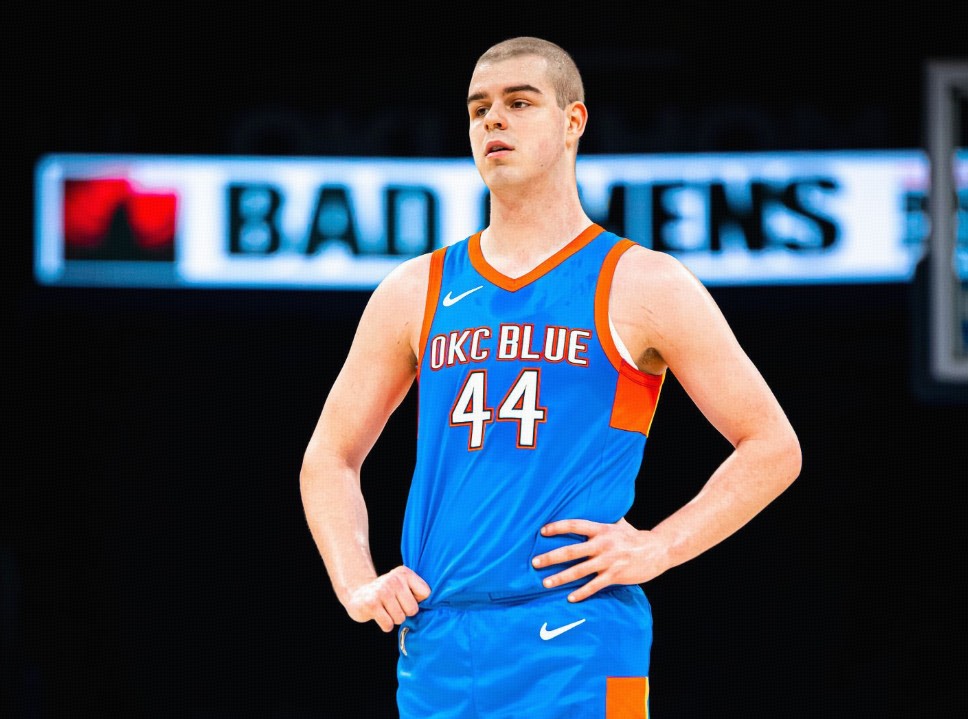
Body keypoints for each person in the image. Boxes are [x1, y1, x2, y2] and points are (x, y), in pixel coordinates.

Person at [299, 36, 801, 719]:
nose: (493, 120)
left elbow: (772, 444)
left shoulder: (642, 281)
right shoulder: (415, 289)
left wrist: (660, 545)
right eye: (478, 108)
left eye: (519, 102)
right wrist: (356, 582)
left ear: (573, 121)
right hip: (439, 640)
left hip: (577, 636)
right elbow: (329, 457)